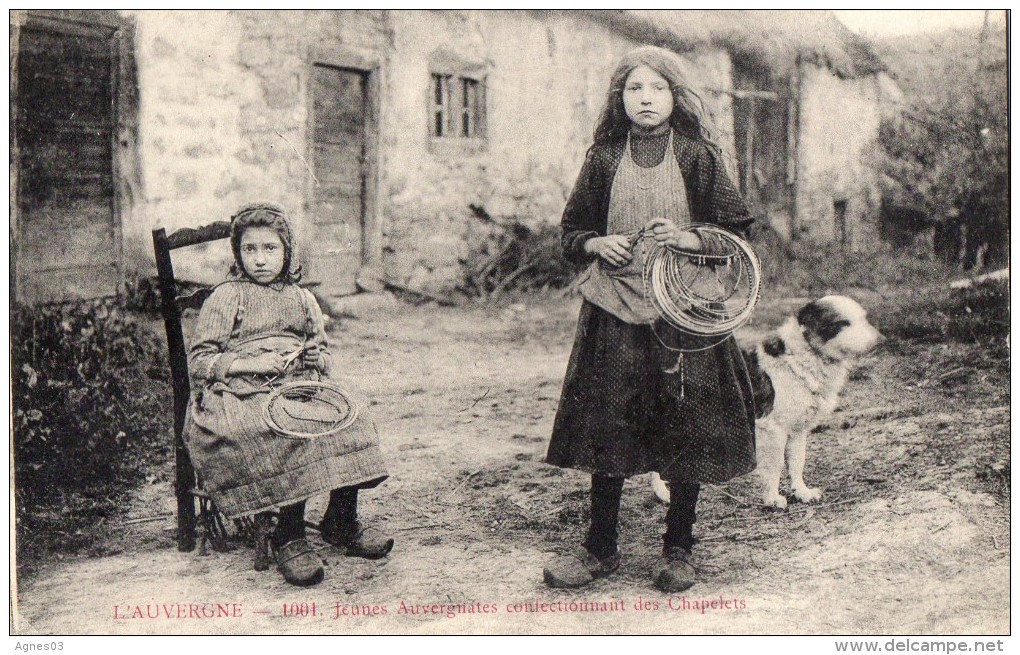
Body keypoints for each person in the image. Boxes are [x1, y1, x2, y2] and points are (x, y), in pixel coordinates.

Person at [543, 46, 759, 593]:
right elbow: (571, 233)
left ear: (676, 96)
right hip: (613, 310)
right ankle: (600, 548)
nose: (645, 98)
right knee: (607, 424)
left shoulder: (697, 156)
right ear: (619, 98)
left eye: (657, 88)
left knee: (686, 424)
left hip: (684, 312)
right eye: (634, 89)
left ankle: (679, 548)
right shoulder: (604, 159)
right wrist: (598, 242)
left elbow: (737, 231)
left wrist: (687, 238)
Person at [184, 202, 393, 587]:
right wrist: (253, 366)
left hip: (296, 384)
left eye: (270, 249)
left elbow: (322, 351)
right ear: (238, 253)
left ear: (287, 251)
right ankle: (289, 534)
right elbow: (199, 362)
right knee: (286, 427)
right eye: (250, 250)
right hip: (238, 393)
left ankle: (341, 520)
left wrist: (316, 357)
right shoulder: (228, 296)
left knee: (352, 415)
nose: (260, 260)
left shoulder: (302, 299)